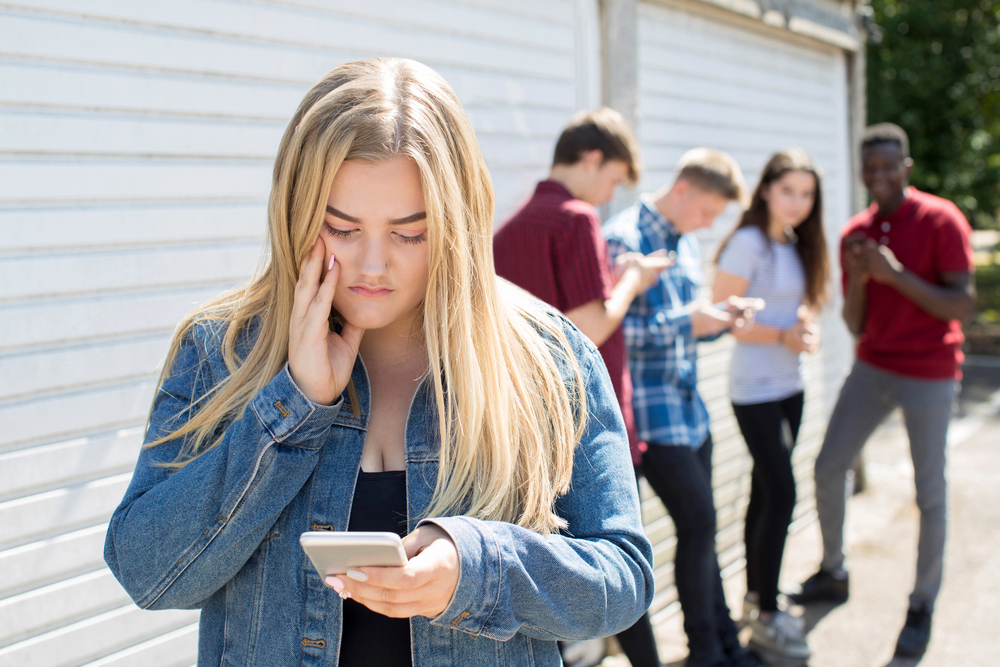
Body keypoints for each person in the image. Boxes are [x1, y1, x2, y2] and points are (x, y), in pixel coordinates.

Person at [103, 58, 655, 667]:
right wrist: (291, 407)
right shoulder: (223, 349)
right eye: (340, 228)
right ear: (296, 215)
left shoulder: (546, 357)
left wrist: (476, 568)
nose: (372, 265)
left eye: (409, 234)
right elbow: (148, 575)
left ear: (458, 225)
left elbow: (622, 581)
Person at [493, 108, 670, 667]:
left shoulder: (510, 227)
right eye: (614, 179)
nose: (609, 194)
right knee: (616, 565)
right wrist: (633, 280)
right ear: (593, 160)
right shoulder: (576, 219)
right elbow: (591, 325)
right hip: (584, 424)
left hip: (524, 423)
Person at [790, 123, 975, 658]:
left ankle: (921, 605)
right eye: (870, 169)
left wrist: (895, 275)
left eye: (889, 167)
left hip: (931, 372)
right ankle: (833, 570)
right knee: (829, 466)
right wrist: (864, 280)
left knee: (930, 494)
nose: (880, 177)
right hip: (873, 368)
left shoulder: (942, 219)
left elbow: (961, 304)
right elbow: (854, 324)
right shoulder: (856, 233)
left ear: (907, 167)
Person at [605, 148, 765, 667]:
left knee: (703, 530)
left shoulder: (686, 243)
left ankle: (720, 646)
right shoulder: (622, 240)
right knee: (698, 526)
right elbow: (609, 334)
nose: (710, 223)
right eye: (708, 211)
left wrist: (719, 320)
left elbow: (684, 331)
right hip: (651, 420)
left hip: (690, 413)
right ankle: (706, 652)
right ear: (683, 191)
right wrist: (689, 322)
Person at [711, 149, 830, 664]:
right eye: (788, 191)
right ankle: (767, 617)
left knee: (766, 492)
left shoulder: (793, 241)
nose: (798, 203)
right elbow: (722, 315)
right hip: (754, 389)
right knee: (783, 494)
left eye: (806, 194)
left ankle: (757, 597)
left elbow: (795, 303)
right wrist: (783, 334)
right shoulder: (748, 242)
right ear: (766, 190)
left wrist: (802, 326)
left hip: (790, 384)